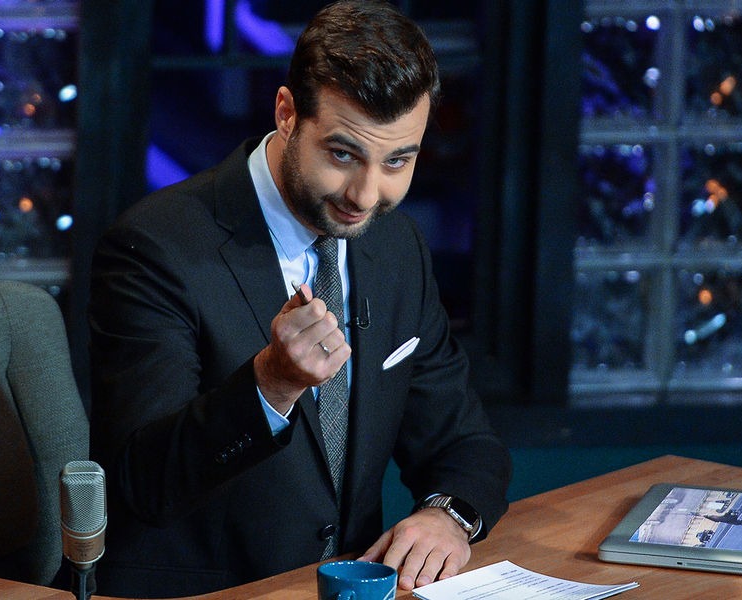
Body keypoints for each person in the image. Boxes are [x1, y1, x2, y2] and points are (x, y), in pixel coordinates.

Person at [88, 1, 512, 597]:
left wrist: (449, 516)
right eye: (342, 154)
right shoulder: (154, 247)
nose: (366, 195)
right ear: (287, 113)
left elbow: (463, 442)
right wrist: (271, 384)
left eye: (397, 161)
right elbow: (142, 483)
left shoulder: (395, 246)